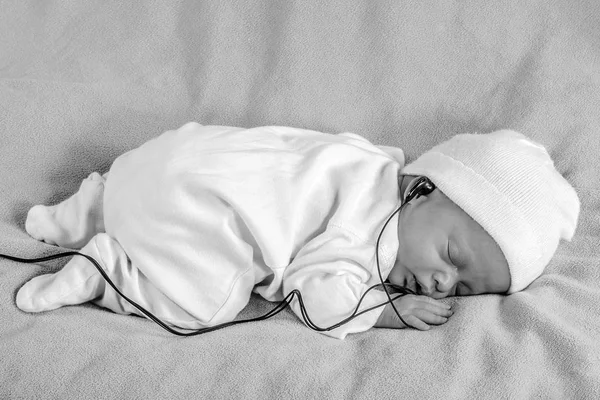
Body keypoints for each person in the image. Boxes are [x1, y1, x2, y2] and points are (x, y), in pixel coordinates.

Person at [15, 123, 580, 339]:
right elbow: (313, 292)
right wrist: (380, 309)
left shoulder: (359, 158)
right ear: (422, 186)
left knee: (144, 184)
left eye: (460, 287)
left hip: (153, 158)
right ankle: (107, 271)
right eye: (452, 255)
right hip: (194, 211)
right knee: (203, 303)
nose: (438, 281)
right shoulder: (369, 233)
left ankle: (81, 208)